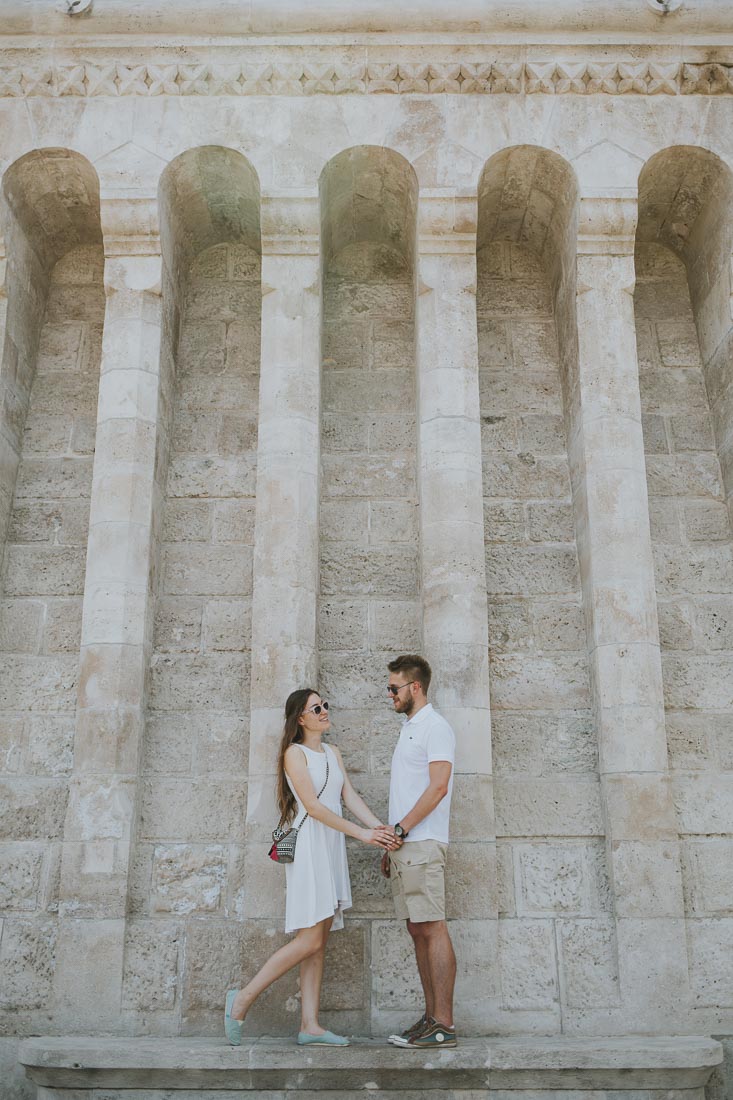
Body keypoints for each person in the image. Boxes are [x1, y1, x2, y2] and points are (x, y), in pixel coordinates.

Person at [225, 687, 399, 1047]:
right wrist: (363, 835)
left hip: (330, 845)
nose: (323, 711)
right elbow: (314, 807)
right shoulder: (294, 754)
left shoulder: (333, 753)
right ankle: (242, 998)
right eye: (315, 708)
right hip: (309, 848)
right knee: (309, 939)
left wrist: (378, 828)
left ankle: (310, 1025)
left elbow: (347, 797)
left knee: (318, 942)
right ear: (300, 718)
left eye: (325, 705)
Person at [381, 654, 458, 1049]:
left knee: (432, 926)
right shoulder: (410, 728)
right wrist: (393, 844)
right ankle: (430, 1019)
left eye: (394, 688)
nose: (389, 694)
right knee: (417, 929)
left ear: (415, 687)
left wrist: (402, 830)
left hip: (423, 842)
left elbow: (438, 787)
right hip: (406, 846)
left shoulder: (435, 727)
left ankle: (443, 1023)